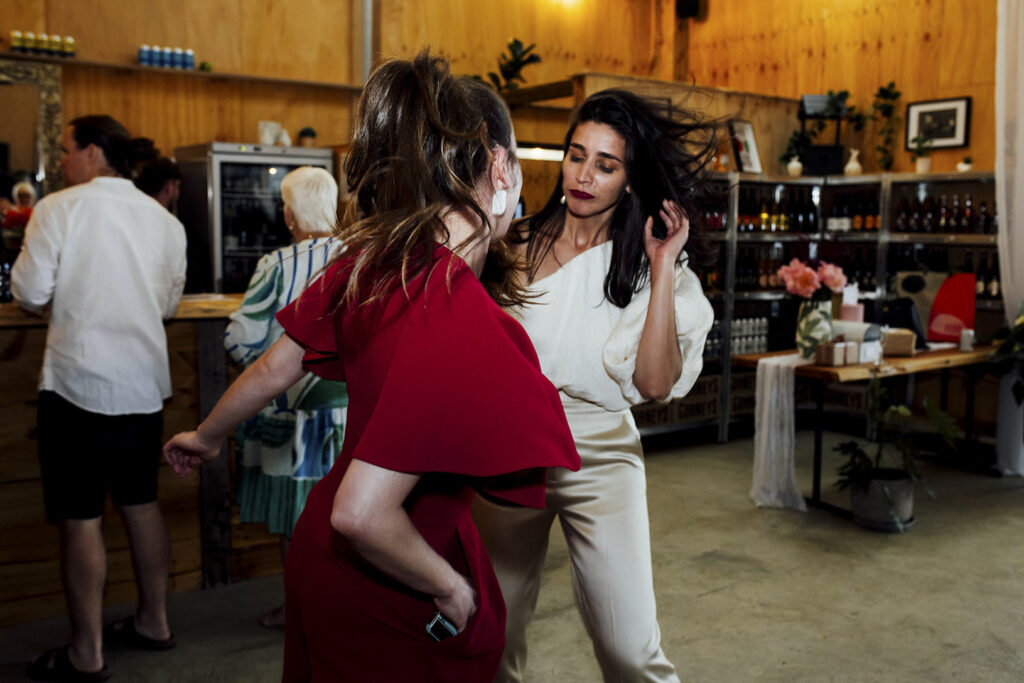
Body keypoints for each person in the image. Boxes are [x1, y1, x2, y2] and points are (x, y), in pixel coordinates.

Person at [162, 53, 580, 681]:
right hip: (391, 578)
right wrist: (449, 588)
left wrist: (206, 435)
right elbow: (360, 513)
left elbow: (274, 369)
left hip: (327, 562)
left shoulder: (373, 265)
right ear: (500, 167)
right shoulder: (452, 308)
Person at [473, 89, 718, 682]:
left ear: (630, 180)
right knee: (491, 638)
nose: (584, 176)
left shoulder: (646, 264)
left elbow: (654, 383)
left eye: (606, 165)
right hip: (512, 445)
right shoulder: (511, 243)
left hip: (602, 451)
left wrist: (663, 265)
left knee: (630, 650)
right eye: (576, 156)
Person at [13, 115, 187, 682]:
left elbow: (30, 291)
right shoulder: (164, 221)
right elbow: (166, 306)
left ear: (92, 153)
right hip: (142, 387)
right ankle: (154, 621)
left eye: (66, 150)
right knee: (142, 503)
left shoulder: (58, 209)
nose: (62, 160)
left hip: (78, 386)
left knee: (81, 518)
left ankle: (86, 653)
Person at [223, 166, 347, 630]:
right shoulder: (363, 255)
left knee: (299, 521)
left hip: (295, 420)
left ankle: (300, 611)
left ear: (290, 215)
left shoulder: (277, 265)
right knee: (349, 515)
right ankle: (342, 610)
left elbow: (241, 339)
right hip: (355, 417)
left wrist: (266, 370)